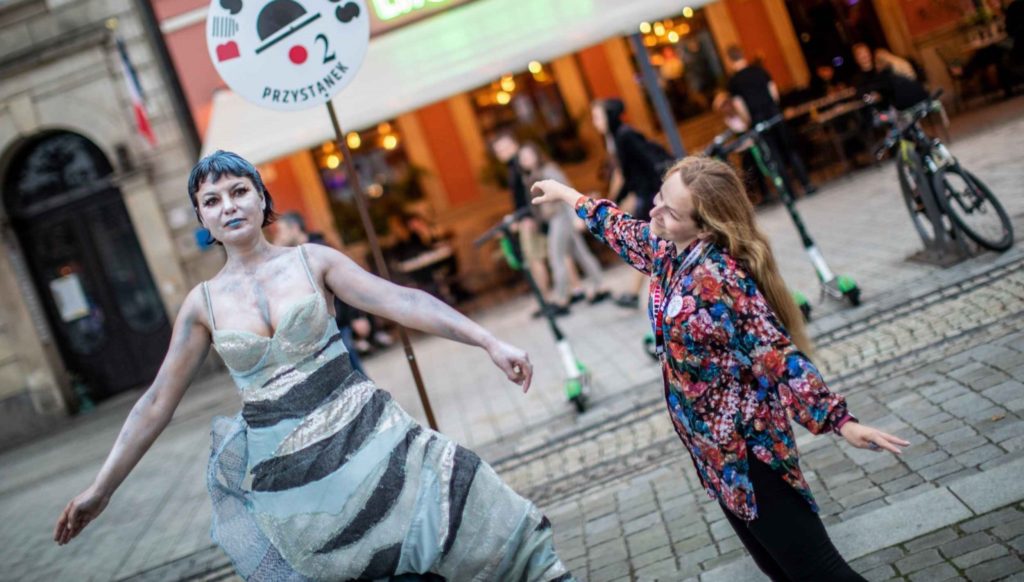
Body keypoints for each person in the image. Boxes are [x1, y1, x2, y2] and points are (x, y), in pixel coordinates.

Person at [53, 151, 572, 581]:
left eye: (238, 191)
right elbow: (155, 404)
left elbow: (403, 302)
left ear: (262, 198)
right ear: (201, 218)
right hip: (294, 490)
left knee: (468, 498)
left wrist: (488, 341)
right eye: (211, 201)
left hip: (373, 440)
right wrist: (102, 489)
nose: (228, 206)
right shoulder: (201, 304)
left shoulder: (312, 261)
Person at [530, 156, 909, 581]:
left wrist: (840, 421)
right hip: (715, 457)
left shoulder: (718, 277)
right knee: (781, 572)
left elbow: (777, 355)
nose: (655, 211)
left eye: (671, 212)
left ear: (705, 227)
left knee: (820, 572)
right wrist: (566, 196)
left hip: (750, 456)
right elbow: (618, 228)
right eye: (659, 198)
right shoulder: (667, 250)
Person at [591, 98, 673, 309]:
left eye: (598, 117)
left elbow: (647, 164)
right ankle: (637, 293)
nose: (595, 122)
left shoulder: (625, 136)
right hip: (647, 194)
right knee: (651, 246)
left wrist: (655, 194)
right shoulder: (617, 138)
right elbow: (627, 174)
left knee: (649, 245)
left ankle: (637, 293)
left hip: (652, 196)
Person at [273, 211, 371, 376]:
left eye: (281, 230)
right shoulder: (293, 255)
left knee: (353, 371)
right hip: (318, 328)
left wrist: (357, 316)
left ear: (294, 228)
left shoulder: (321, 249)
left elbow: (347, 283)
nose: (279, 235)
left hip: (339, 321)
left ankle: (372, 400)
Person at [517, 142, 610, 310]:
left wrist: (576, 216)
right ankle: (600, 285)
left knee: (556, 256)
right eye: (522, 158)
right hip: (555, 219)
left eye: (528, 155)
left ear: (537, 154)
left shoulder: (548, 171)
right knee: (579, 253)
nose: (525, 160)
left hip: (561, 217)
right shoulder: (531, 176)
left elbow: (567, 191)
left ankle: (561, 298)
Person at [725, 45, 817, 198]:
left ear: (729, 60)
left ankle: (790, 193)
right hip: (774, 115)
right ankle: (806, 184)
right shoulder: (759, 71)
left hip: (758, 121)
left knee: (774, 157)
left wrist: (749, 122)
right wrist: (772, 108)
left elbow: (739, 106)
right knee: (790, 150)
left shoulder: (734, 82)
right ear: (742, 55)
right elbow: (774, 92)